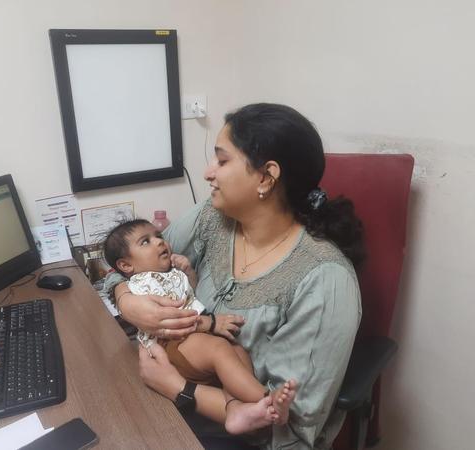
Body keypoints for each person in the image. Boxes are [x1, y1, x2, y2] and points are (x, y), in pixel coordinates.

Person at [106, 103, 364, 450]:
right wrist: (127, 300)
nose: (207, 173)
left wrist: (179, 389)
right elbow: (127, 264)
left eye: (222, 160)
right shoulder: (214, 218)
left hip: (236, 436)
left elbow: (288, 431)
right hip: (169, 392)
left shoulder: (324, 280)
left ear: (266, 177)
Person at [103, 218, 297, 434]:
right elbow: (178, 319)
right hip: (169, 345)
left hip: (187, 340)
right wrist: (211, 323)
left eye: (158, 236)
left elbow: (190, 296)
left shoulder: (168, 272)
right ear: (126, 265)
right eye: (145, 242)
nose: (159, 242)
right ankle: (267, 400)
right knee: (220, 349)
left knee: (237, 350)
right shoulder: (142, 284)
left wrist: (188, 274)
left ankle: (236, 408)